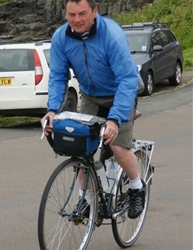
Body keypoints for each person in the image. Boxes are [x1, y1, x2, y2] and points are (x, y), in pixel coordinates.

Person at [41, 0, 145, 219]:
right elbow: (58, 75)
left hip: (120, 92)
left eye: (82, 13)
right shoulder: (61, 37)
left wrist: (115, 120)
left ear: (95, 12)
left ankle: (137, 187)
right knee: (78, 146)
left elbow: (127, 79)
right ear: (65, 13)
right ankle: (86, 199)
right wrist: (52, 110)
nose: (76, 20)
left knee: (117, 147)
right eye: (71, 14)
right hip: (90, 95)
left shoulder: (111, 36)